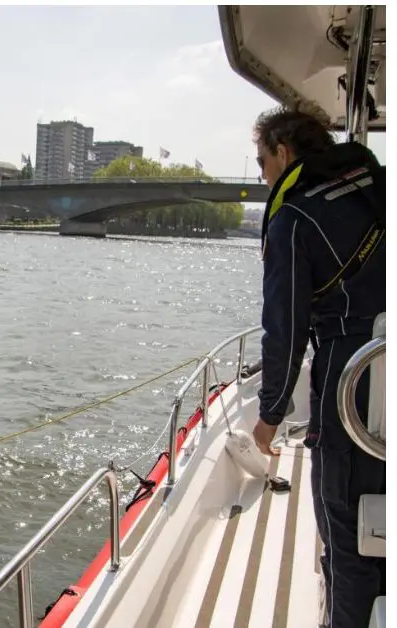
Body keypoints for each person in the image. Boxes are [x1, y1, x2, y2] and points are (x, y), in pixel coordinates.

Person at [249, 106, 385, 628]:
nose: (262, 175)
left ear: (284, 152)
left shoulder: (294, 217)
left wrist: (270, 415)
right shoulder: (377, 184)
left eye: (262, 163)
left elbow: (285, 330)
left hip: (350, 384)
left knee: (345, 529)